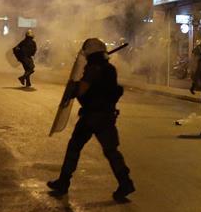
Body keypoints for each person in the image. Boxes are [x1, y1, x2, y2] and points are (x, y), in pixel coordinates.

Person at [47, 38, 135, 201]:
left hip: (91, 116)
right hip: (107, 116)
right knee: (111, 151)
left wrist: (73, 88)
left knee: (74, 147)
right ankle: (125, 183)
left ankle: (63, 182)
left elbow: (82, 90)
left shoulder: (92, 69)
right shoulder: (110, 69)